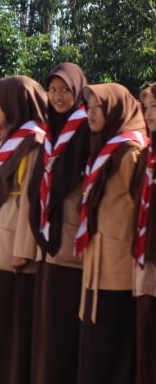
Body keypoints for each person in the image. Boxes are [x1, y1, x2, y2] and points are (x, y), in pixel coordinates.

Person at [0, 76, 46, 384]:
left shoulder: (35, 142)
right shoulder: (12, 138)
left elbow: (32, 201)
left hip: (14, 249)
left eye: (0, 100)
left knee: (11, 324)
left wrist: (22, 249)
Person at [76, 83, 144, 384]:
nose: (90, 113)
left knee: (112, 340)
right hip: (96, 262)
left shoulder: (129, 151)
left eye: (96, 107)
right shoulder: (103, 145)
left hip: (118, 264)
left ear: (114, 109)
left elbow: (141, 205)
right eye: (88, 107)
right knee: (95, 341)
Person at [27, 62, 90, 384]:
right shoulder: (50, 126)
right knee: (46, 316)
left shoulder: (85, 128)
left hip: (70, 237)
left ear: (78, 89)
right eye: (52, 90)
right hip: (48, 229)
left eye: (65, 89)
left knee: (63, 317)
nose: (58, 96)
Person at [135, 84, 156, 384]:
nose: (148, 114)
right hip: (145, 262)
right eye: (146, 107)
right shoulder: (145, 154)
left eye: (153, 107)